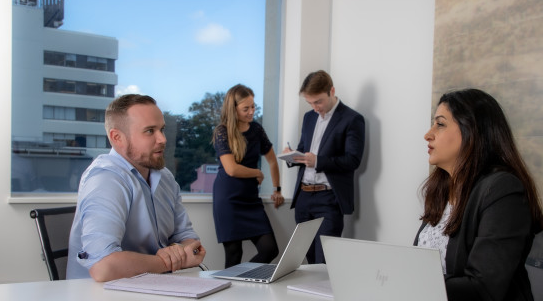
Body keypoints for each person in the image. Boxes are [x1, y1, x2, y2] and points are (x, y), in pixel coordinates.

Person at [415, 88, 543, 301]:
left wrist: (411, 282)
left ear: (472, 131)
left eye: (440, 124)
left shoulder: (502, 190)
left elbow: (484, 288)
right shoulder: (443, 189)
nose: (428, 134)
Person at [67, 94, 206, 281]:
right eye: (149, 131)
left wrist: (181, 250)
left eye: (162, 129)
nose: (162, 139)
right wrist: (169, 262)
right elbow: (103, 267)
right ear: (117, 138)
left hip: (153, 287)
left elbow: (189, 241)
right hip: (103, 295)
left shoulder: (164, 177)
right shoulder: (106, 179)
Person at [284, 70, 365, 264]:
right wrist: (291, 156)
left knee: (324, 263)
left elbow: (353, 160)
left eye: (318, 101)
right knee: (309, 261)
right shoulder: (309, 117)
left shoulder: (352, 119)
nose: (315, 108)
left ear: (332, 91)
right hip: (303, 198)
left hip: (328, 200)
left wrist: (318, 162)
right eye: (310, 103)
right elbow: (304, 150)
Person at [212, 84, 284, 268]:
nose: (251, 111)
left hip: (250, 199)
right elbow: (231, 169)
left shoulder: (257, 130)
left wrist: (277, 189)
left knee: (270, 249)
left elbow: (272, 161)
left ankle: (241, 278)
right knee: (234, 254)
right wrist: (257, 172)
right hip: (228, 199)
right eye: (246, 108)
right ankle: (232, 284)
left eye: (253, 107)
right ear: (233, 109)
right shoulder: (222, 131)